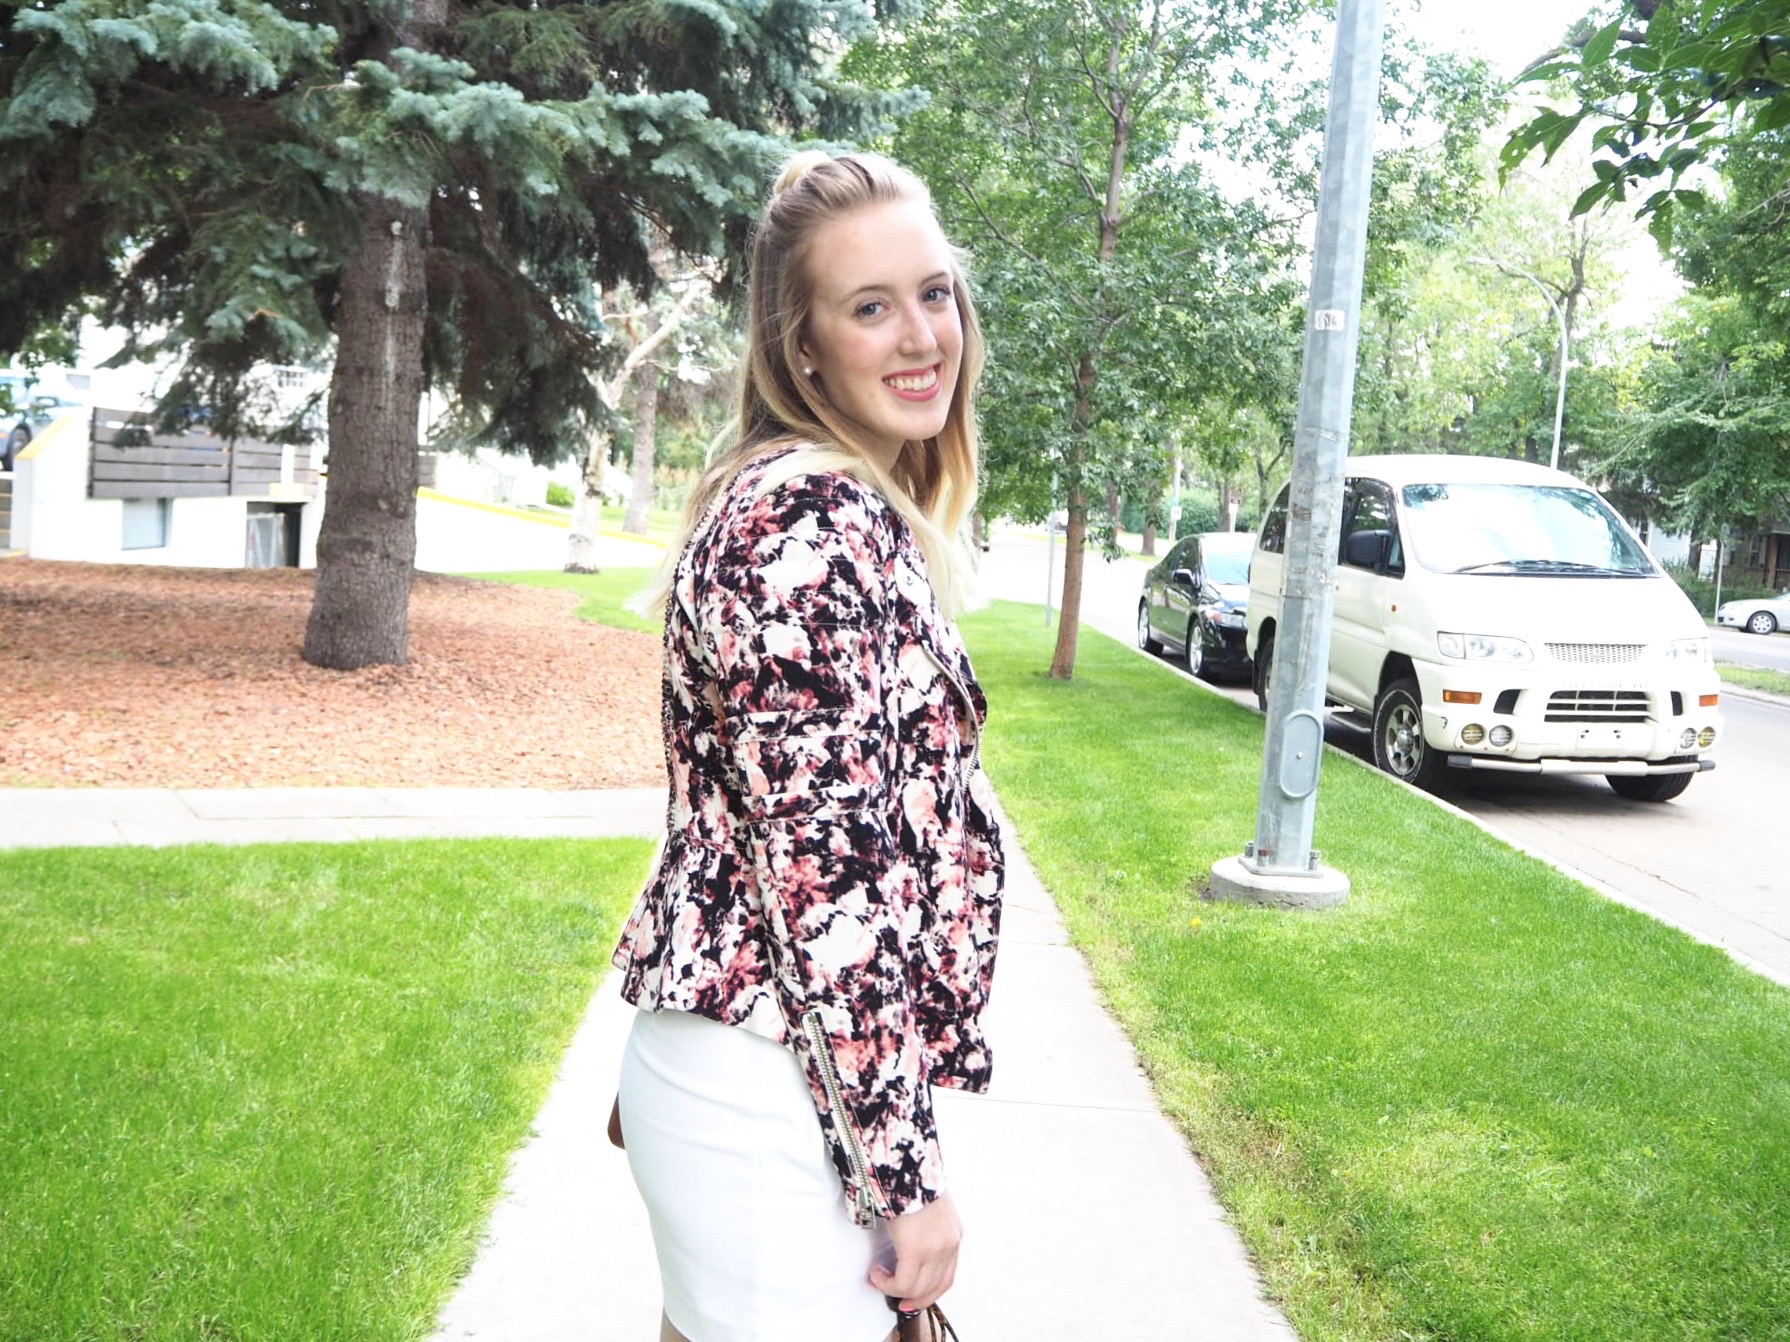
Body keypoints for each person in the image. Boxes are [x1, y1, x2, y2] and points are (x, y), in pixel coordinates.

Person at [608, 148, 1006, 1342]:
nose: (918, 335)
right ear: (802, 346)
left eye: (932, 292)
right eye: (869, 306)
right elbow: (825, 884)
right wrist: (904, 1178)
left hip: (759, 1067)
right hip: (767, 1088)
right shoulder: (804, 523)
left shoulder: (823, 505)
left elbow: (740, 815)